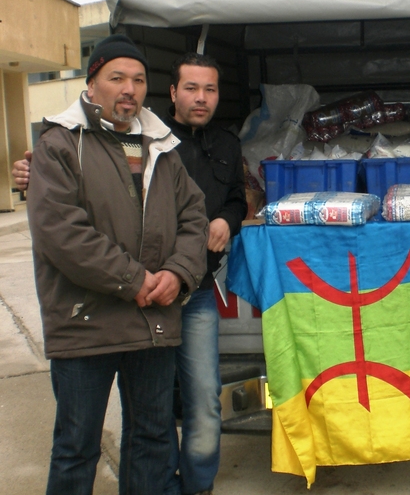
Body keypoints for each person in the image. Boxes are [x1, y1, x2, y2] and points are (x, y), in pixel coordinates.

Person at [15, 51, 247, 495]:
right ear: (91, 83)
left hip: (153, 319)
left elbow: (193, 215)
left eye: (138, 80)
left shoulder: (158, 145)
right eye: (117, 78)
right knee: (76, 447)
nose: (129, 89)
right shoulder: (62, 144)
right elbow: (62, 233)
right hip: (87, 321)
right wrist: (136, 280)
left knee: (152, 438)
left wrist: (177, 274)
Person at [163, 52, 247, 495]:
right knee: (152, 405)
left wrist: (227, 221)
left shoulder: (228, 145)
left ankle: (198, 486)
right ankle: (158, 483)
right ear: (173, 92)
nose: (201, 97)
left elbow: (237, 198)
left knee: (204, 399)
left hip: (197, 294)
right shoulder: (148, 140)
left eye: (209, 89)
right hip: (150, 294)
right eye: (191, 88)